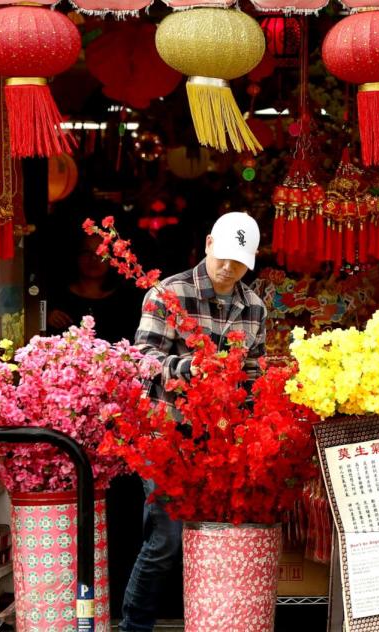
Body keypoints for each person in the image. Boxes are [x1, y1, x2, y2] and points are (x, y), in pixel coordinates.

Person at [120, 212, 267, 632]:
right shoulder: (167, 294)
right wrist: (192, 368)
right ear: (207, 244)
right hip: (166, 431)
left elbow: (254, 370)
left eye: (239, 262)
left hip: (221, 441)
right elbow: (142, 359)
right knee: (165, 540)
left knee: (218, 538)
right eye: (223, 256)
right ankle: (135, 626)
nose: (228, 267)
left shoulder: (254, 307)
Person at [46, 232, 142, 343]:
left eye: (101, 253)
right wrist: (46, 318)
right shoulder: (57, 296)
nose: (93, 258)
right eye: (87, 252)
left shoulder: (127, 299)